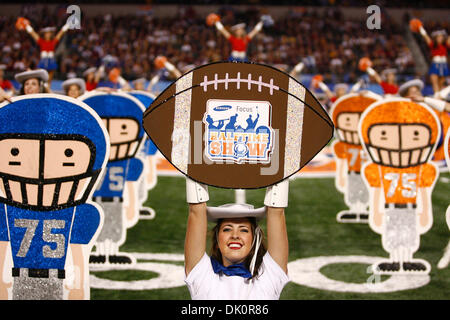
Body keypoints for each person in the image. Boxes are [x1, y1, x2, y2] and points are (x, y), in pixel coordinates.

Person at [184, 178, 289, 300]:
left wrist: (280, 167)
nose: (235, 235)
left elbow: (277, 210)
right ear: (217, 240)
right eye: (227, 229)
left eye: (243, 230)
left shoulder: (269, 275)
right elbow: (196, 211)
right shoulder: (202, 275)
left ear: (254, 240)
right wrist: (195, 166)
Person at [398, 79, 450, 161]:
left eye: (418, 92)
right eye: (414, 92)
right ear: (406, 96)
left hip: (436, 150)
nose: (417, 94)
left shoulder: (428, 107)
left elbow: (446, 106)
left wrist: (426, 100)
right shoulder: (402, 112)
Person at [19, 19, 70, 84]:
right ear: (44, 34)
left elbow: (60, 34)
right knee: (42, 75)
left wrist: (67, 25)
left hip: (51, 60)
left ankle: (48, 87)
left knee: (50, 77)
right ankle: (42, 86)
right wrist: (27, 26)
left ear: (51, 34)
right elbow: (33, 34)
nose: (48, 35)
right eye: (46, 33)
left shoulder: (53, 41)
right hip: (43, 60)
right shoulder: (41, 41)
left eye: (49, 33)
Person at [414, 24, 449, 94]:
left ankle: (440, 96)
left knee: (441, 83)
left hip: (443, 65)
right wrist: (420, 28)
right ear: (435, 38)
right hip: (435, 64)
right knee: (434, 81)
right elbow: (426, 37)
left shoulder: (446, 45)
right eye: (438, 37)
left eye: (441, 37)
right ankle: (436, 95)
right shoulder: (432, 45)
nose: (440, 38)